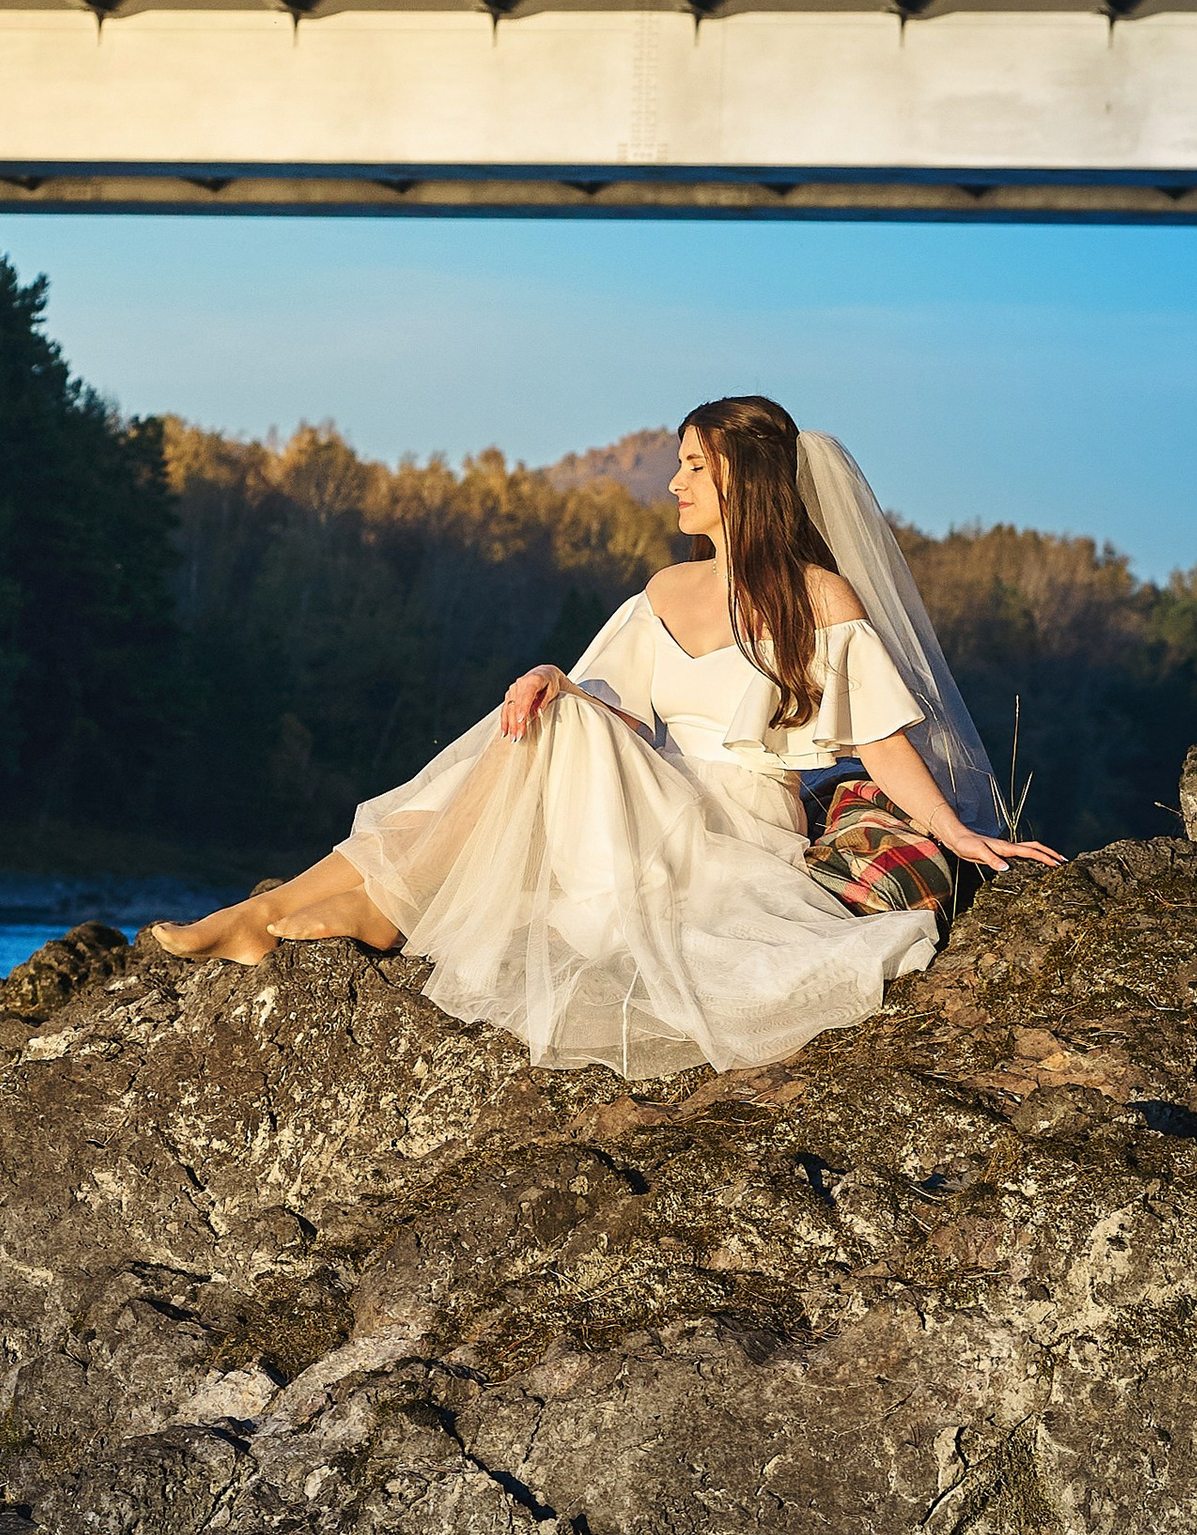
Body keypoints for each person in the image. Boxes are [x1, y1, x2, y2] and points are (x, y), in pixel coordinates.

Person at [149, 394, 1061, 1081]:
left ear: (745, 474)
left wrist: (961, 834)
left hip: (737, 828)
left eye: (694, 467)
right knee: (542, 712)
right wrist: (552, 678)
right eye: (678, 465)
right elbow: (608, 706)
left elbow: (884, 742)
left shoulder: (820, 600)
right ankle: (265, 916)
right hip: (648, 793)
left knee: (547, 728)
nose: (675, 483)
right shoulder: (667, 590)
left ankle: (356, 908)